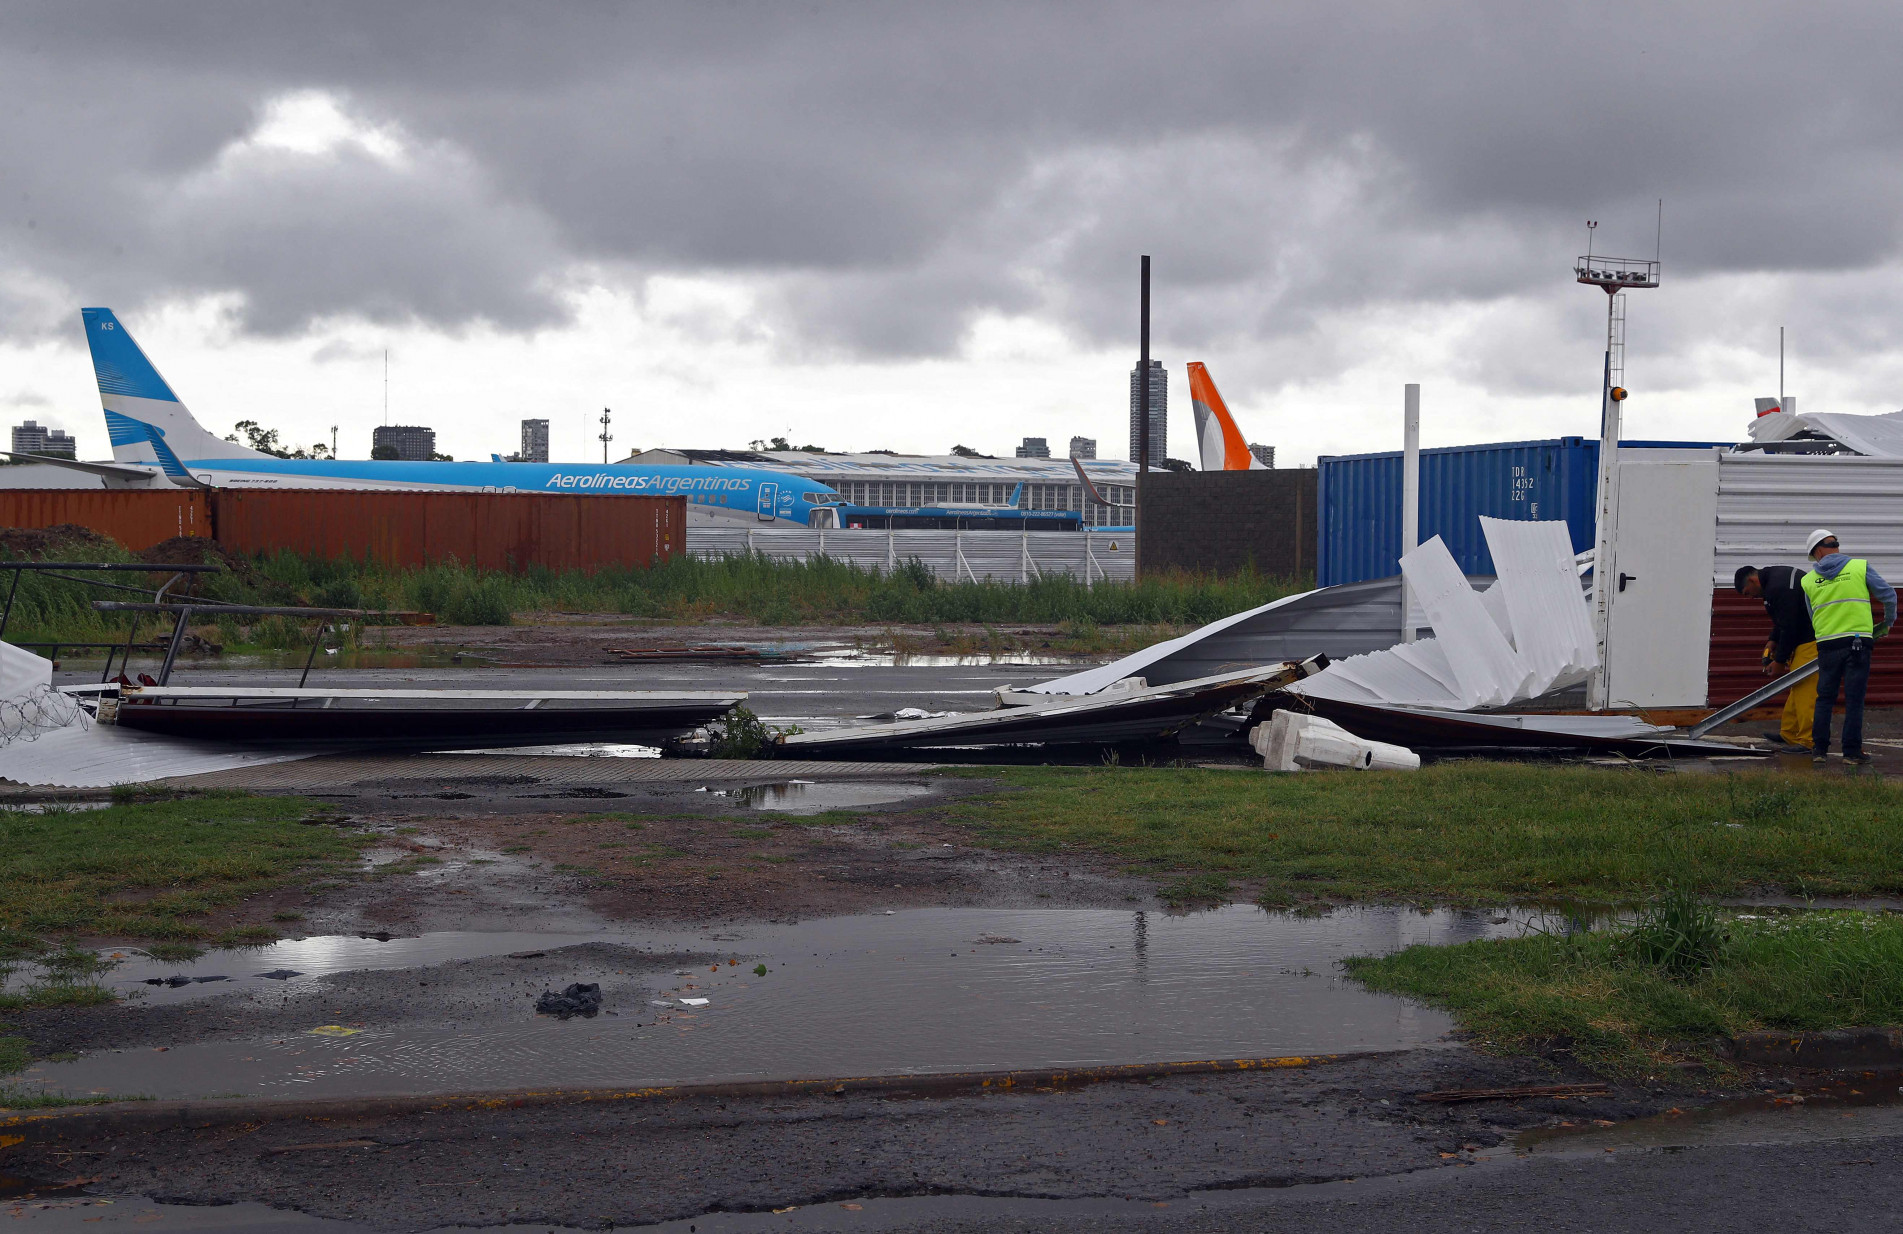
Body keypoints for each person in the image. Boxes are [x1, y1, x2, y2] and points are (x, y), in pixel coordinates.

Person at [1799, 529, 1896, 766]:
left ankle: (1819, 751)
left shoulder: (1808, 580)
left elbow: (1813, 616)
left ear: (1817, 552)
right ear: (1833, 546)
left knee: (1824, 698)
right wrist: (1886, 623)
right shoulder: (1859, 567)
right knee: (1854, 699)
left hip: (1827, 645)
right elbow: (1889, 595)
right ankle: (1851, 753)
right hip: (1858, 642)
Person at [1734, 563, 1816, 748]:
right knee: (1798, 687)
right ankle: (1790, 733)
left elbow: (1789, 627)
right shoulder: (1773, 580)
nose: (1751, 597)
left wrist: (1779, 661)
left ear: (1753, 580)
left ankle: (1808, 741)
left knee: (1806, 691)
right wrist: (1772, 641)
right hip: (1803, 637)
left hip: (1811, 638)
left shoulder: (1778, 587)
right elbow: (1783, 620)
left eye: (1748, 592)